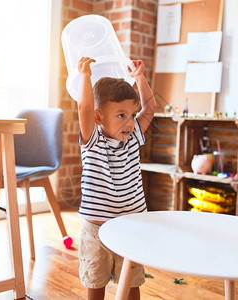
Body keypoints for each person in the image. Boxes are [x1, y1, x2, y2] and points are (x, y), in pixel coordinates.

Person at [77, 56, 155, 300]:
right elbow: (84, 108)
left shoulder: (133, 138)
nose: (130, 122)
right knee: (95, 285)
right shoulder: (93, 140)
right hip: (96, 232)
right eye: (121, 115)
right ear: (99, 117)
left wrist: (140, 78)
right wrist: (85, 77)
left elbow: (150, 108)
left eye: (131, 115)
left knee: (131, 286)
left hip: (130, 228)